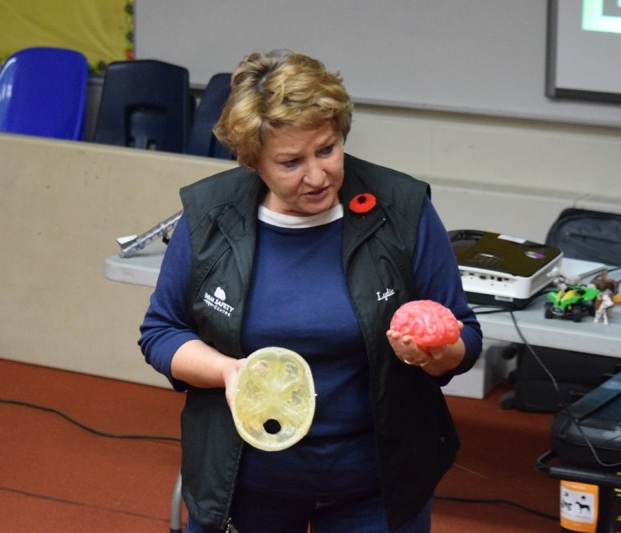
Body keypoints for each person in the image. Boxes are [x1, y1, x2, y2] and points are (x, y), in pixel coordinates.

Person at [139, 49, 482, 533]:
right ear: (252, 159)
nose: (317, 175)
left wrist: (436, 353)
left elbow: (465, 337)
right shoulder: (210, 216)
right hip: (244, 483)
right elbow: (162, 332)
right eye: (290, 162)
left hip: (375, 485)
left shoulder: (401, 209)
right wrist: (231, 373)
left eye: (326, 149)